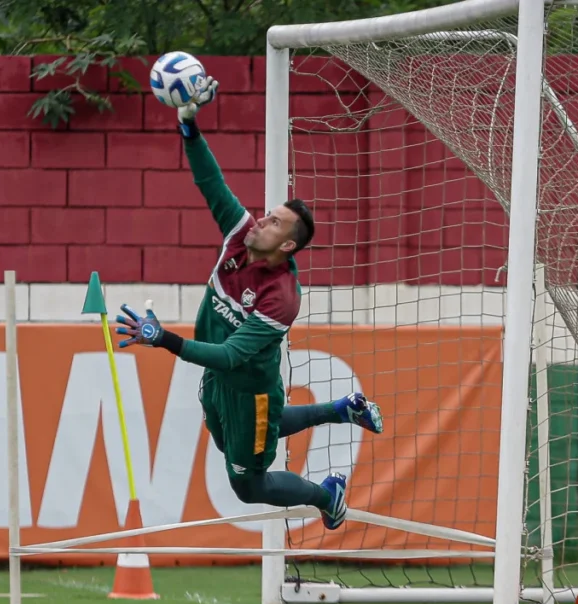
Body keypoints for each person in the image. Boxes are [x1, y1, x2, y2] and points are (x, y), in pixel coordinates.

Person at [115, 75, 383, 531]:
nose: (261, 220)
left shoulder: (282, 296)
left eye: (274, 222)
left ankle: (327, 496)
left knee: (248, 484)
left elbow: (231, 354)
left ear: (288, 246)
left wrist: (163, 339)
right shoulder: (240, 235)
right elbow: (210, 182)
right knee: (226, 444)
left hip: (251, 392)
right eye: (268, 214)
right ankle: (342, 409)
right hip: (217, 381)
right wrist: (188, 126)